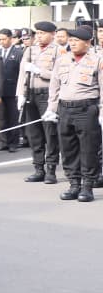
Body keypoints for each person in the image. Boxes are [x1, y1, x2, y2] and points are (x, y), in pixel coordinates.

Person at [44, 26, 103, 202]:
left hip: (87, 109)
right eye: (71, 40)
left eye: (76, 41)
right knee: (68, 148)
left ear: (87, 43)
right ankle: (74, 184)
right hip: (65, 109)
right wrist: (51, 109)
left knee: (88, 149)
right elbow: (54, 87)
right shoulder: (62, 60)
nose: (73, 43)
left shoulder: (97, 60)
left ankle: (87, 186)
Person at [18, 21, 61, 183]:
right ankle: (38, 168)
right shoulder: (30, 50)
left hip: (47, 94)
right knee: (34, 133)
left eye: (43, 33)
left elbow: (58, 75)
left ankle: (51, 169)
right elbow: (22, 75)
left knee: (50, 132)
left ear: (52, 34)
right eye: (37, 33)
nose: (39, 36)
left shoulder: (58, 51)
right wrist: (20, 95)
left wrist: (40, 71)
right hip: (31, 94)